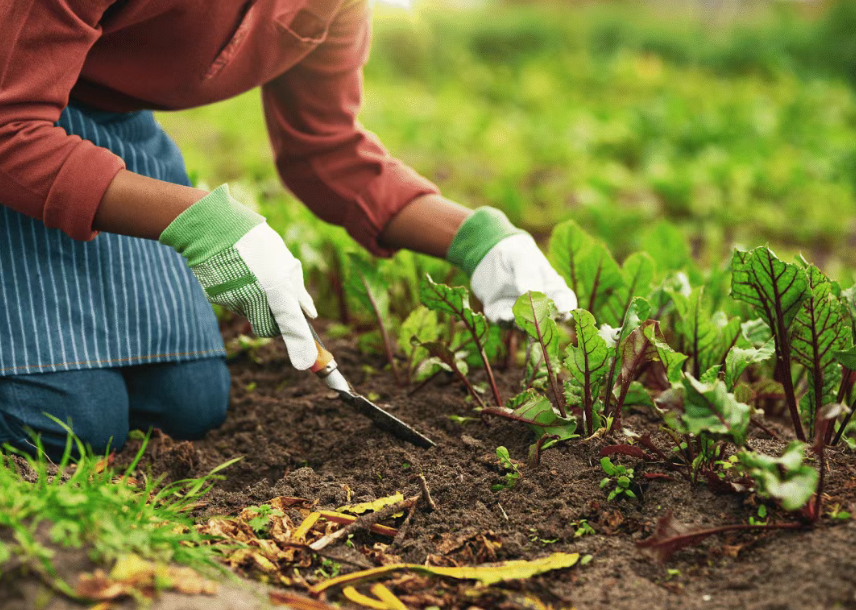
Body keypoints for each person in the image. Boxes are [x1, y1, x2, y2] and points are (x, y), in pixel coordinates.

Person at [0, 0, 576, 460]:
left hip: (113, 137)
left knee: (189, 405)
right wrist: (201, 221)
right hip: (19, 129)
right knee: (69, 423)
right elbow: (10, 127)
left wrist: (480, 240)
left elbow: (328, 152)